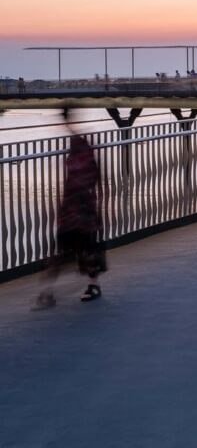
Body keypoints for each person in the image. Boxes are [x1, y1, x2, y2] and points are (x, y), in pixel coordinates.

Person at [34, 108, 107, 308]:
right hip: (78, 207)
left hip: (78, 207)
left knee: (74, 249)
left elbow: (95, 179)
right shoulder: (83, 147)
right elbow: (97, 179)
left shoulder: (81, 146)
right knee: (81, 248)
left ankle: (49, 291)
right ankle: (87, 286)